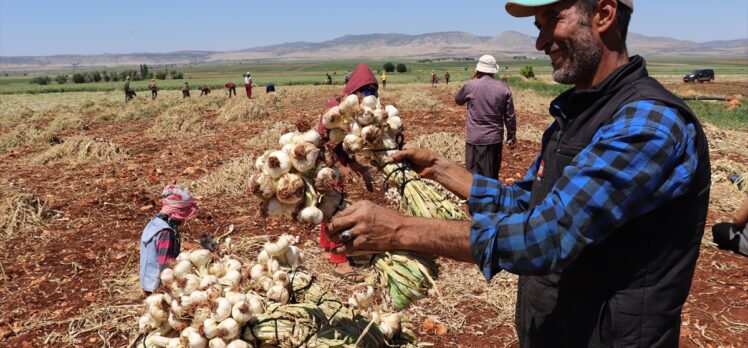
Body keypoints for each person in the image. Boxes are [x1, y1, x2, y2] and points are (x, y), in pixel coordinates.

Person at [326, 1, 711, 346]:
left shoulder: (648, 124)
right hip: (560, 329)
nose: (540, 42)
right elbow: (526, 200)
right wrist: (438, 168)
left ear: (604, 15)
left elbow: (546, 236)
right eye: (537, 26)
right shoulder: (576, 113)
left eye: (552, 20)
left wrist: (399, 231)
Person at [317, 63, 376, 282]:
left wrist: (360, 168)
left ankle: (326, 246)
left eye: (373, 90)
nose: (370, 95)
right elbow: (326, 142)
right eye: (367, 89)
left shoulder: (354, 111)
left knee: (329, 204)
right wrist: (341, 167)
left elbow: (345, 146)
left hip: (335, 160)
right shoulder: (336, 109)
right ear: (356, 89)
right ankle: (339, 261)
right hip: (323, 161)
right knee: (336, 207)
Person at [455, 54, 517, 179]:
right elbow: (509, 116)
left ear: (478, 69)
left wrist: (471, 81)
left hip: (474, 138)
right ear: (494, 71)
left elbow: (458, 100)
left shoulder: (471, 85)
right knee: (491, 175)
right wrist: (511, 137)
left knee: (471, 176)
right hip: (494, 139)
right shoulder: (504, 88)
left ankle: (473, 197)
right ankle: (490, 197)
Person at [139, 185, 199, 295]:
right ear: (177, 211)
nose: (184, 220)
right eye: (184, 212)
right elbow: (165, 266)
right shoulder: (165, 232)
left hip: (146, 282)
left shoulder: (154, 222)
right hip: (157, 287)